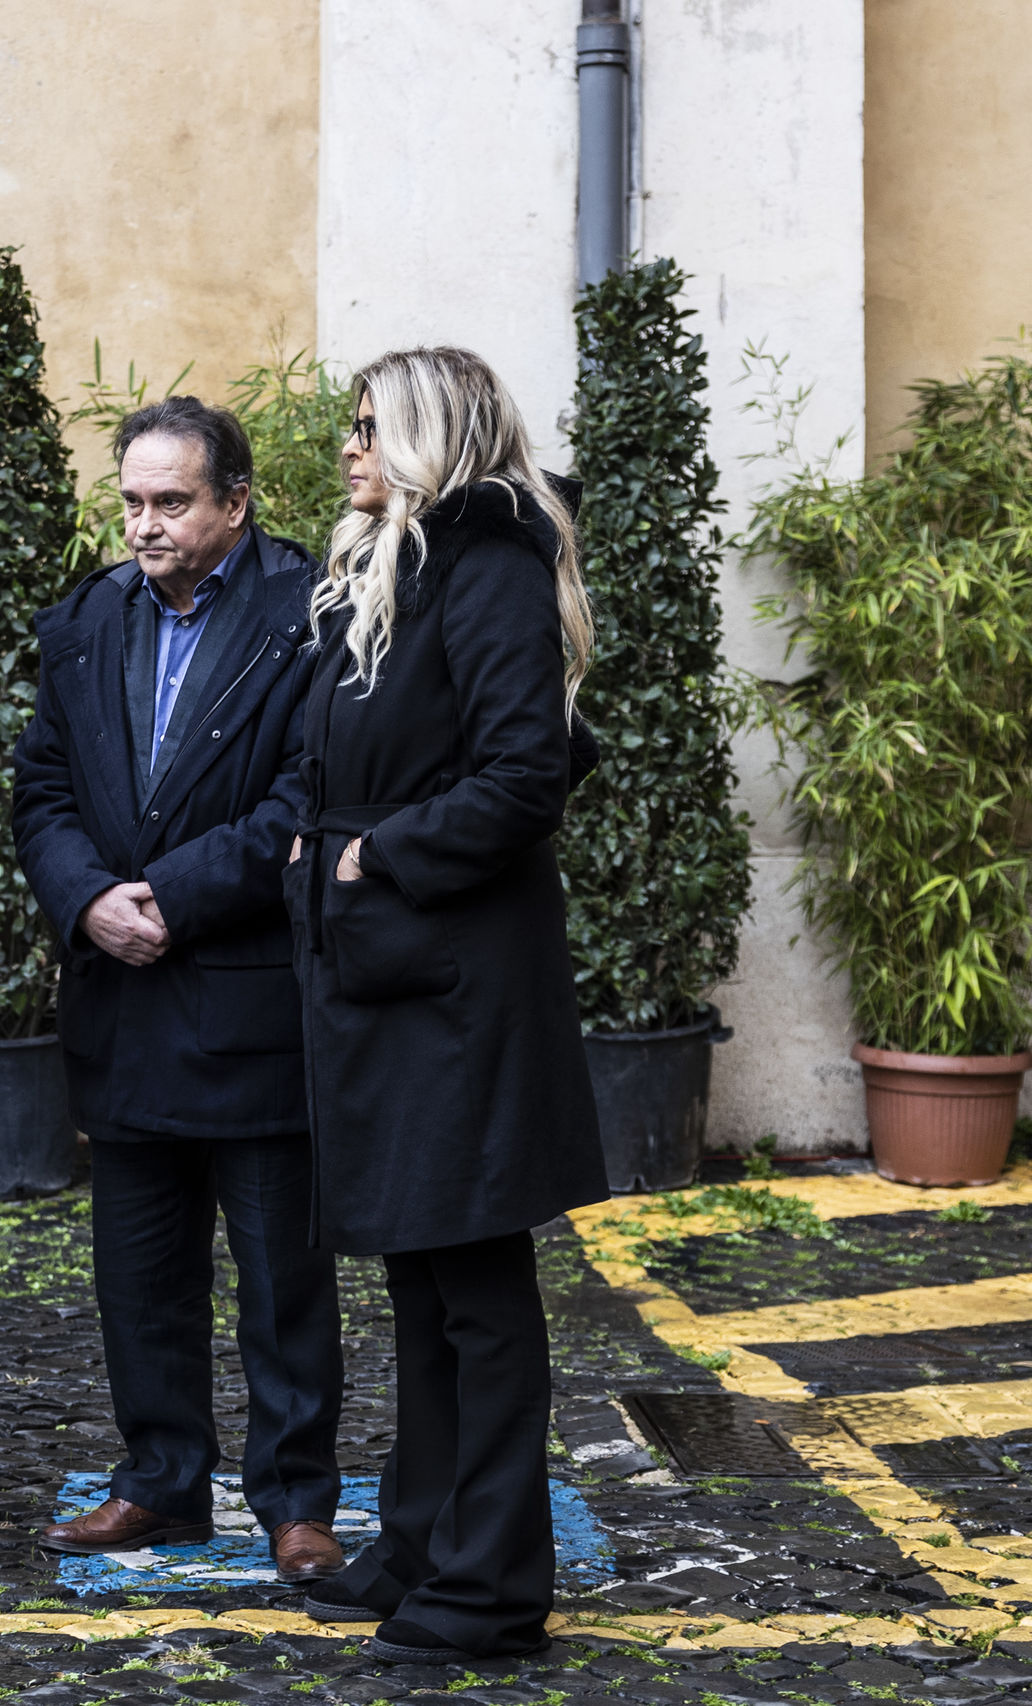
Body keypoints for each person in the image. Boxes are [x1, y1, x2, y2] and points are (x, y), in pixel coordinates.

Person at [286, 347, 607, 1663]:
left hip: (457, 983)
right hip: (392, 971)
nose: (349, 447)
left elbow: (527, 771)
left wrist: (377, 854)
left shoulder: (487, 561)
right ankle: (423, 1541)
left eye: (372, 427)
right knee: (420, 1281)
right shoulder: (398, 563)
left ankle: (490, 1586)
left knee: (474, 1290)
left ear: (434, 437)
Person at [11, 398, 346, 1583]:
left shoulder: (311, 616)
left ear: (235, 502)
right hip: (122, 997)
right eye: (131, 501)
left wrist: (169, 893)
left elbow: (309, 797)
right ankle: (160, 1483)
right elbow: (40, 790)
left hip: (248, 1002)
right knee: (139, 1277)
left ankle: (295, 1500)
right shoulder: (85, 619)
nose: (144, 524)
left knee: (281, 1281)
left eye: (171, 501)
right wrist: (87, 897)